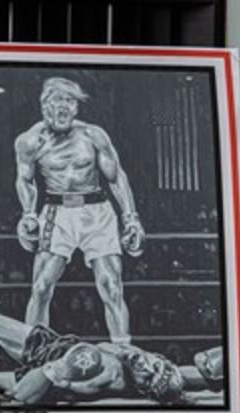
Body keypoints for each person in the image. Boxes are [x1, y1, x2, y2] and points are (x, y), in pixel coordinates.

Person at [14, 77, 145, 344]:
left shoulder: (93, 135)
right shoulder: (30, 141)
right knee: (40, 287)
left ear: (76, 108)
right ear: (44, 105)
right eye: (57, 101)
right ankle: (34, 353)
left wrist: (131, 218)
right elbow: (25, 180)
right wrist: (28, 213)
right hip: (57, 212)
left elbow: (116, 177)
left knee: (111, 287)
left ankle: (123, 350)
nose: (63, 108)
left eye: (69, 102)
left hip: (98, 212)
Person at [0, 311, 199, 405]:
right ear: (159, 357)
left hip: (48, 370)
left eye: (148, 378)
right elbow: (188, 375)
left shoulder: (107, 373)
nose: (146, 366)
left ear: (142, 389)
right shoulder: (137, 361)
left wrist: (52, 370)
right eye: (155, 365)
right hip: (54, 345)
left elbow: (24, 395)